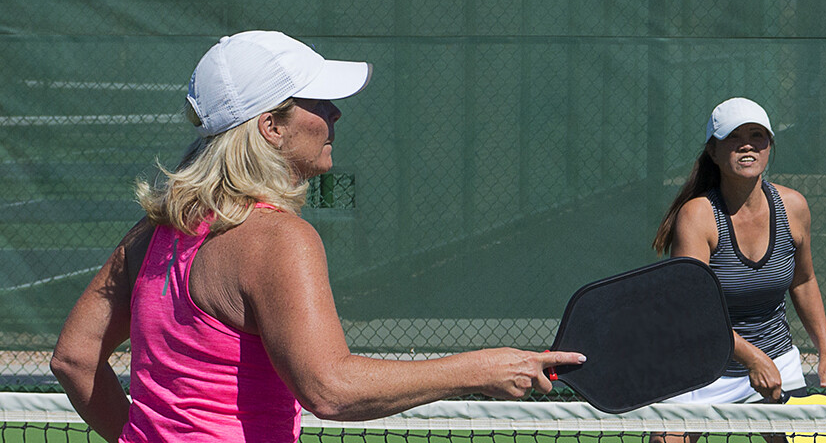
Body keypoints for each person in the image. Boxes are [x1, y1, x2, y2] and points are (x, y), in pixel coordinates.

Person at [50, 31, 584, 442]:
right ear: (271, 127)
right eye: (317, 102)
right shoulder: (279, 238)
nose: (335, 114)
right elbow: (330, 389)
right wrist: (478, 368)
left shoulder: (152, 233)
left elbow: (73, 359)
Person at [648, 97, 826, 409]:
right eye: (734, 138)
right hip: (702, 364)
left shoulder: (794, 207)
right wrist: (752, 358)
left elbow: (804, 281)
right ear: (713, 151)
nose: (747, 146)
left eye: (757, 136)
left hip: (776, 359)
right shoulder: (697, 217)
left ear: (769, 145)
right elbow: (693, 308)